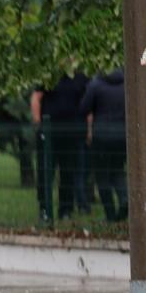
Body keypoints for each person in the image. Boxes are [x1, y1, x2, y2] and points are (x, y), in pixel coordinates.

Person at [31, 72, 89, 220]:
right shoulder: (49, 75)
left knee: (68, 174)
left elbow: (88, 104)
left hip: (72, 134)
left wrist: (88, 129)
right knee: (45, 172)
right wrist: (38, 125)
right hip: (50, 134)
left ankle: (65, 210)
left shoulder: (80, 77)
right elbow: (36, 97)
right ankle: (44, 208)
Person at [78, 69, 127, 222]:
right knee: (118, 171)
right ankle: (125, 199)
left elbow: (84, 108)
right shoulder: (126, 84)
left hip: (102, 137)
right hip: (122, 135)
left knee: (103, 177)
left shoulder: (96, 85)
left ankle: (110, 215)